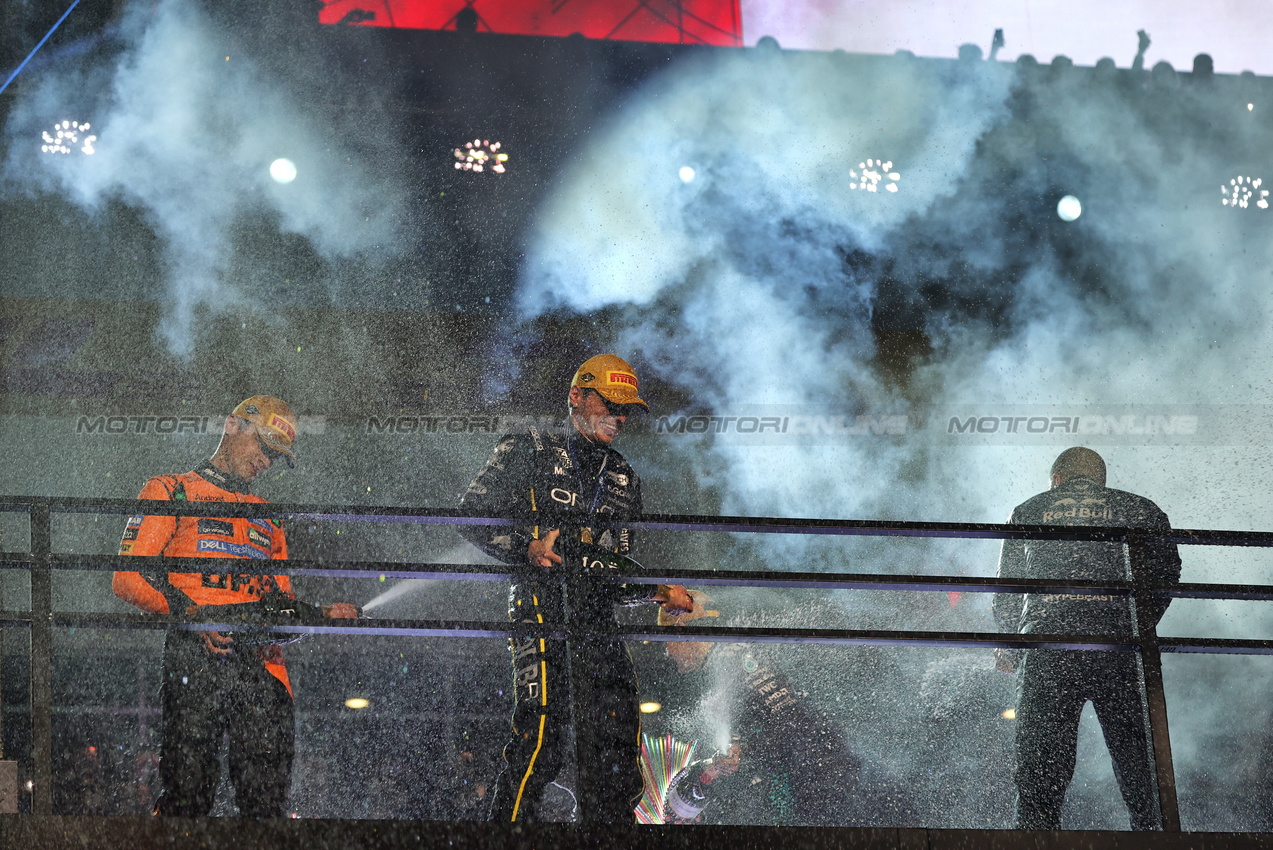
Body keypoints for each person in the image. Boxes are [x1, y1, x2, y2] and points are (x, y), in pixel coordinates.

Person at [458, 354, 692, 823]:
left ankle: (611, 835)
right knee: (542, 736)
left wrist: (655, 590)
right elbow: (470, 514)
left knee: (618, 732)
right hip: (540, 600)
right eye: (610, 405)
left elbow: (614, 573)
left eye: (627, 411)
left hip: (597, 614)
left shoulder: (625, 477)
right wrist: (526, 547)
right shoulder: (529, 444)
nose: (619, 418)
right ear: (576, 396)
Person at [113, 395, 358, 817]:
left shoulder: (269, 516)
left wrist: (320, 614)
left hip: (263, 666)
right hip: (196, 657)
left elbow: (281, 605)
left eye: (275, 457)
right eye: (264, 446)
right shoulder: (171, 489)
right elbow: (126, 578)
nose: (266, 461)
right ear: (232, 425)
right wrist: (193, 616)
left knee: (265, 807)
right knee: (188, 796)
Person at [993, 447, 1181, 830]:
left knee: (1041, 765)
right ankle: (1156, 836)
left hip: (1048, 646)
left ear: (1057, 480)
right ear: (1101, 481)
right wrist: (1139, 624)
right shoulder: (1141, 509)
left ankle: (1036, 838)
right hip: (1121, 646)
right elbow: (1167, 571)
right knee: (1139, 761)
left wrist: (1012, 643)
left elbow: (1006, 592)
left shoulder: (1027, 509)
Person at [651, 592, 871, 826]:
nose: (668, 652)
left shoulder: (730, 666)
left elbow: (789, 727)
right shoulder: (741, 656)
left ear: (682, 629)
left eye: (666, 641)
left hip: (820, 788)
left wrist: (736, 753)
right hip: (827, 781)